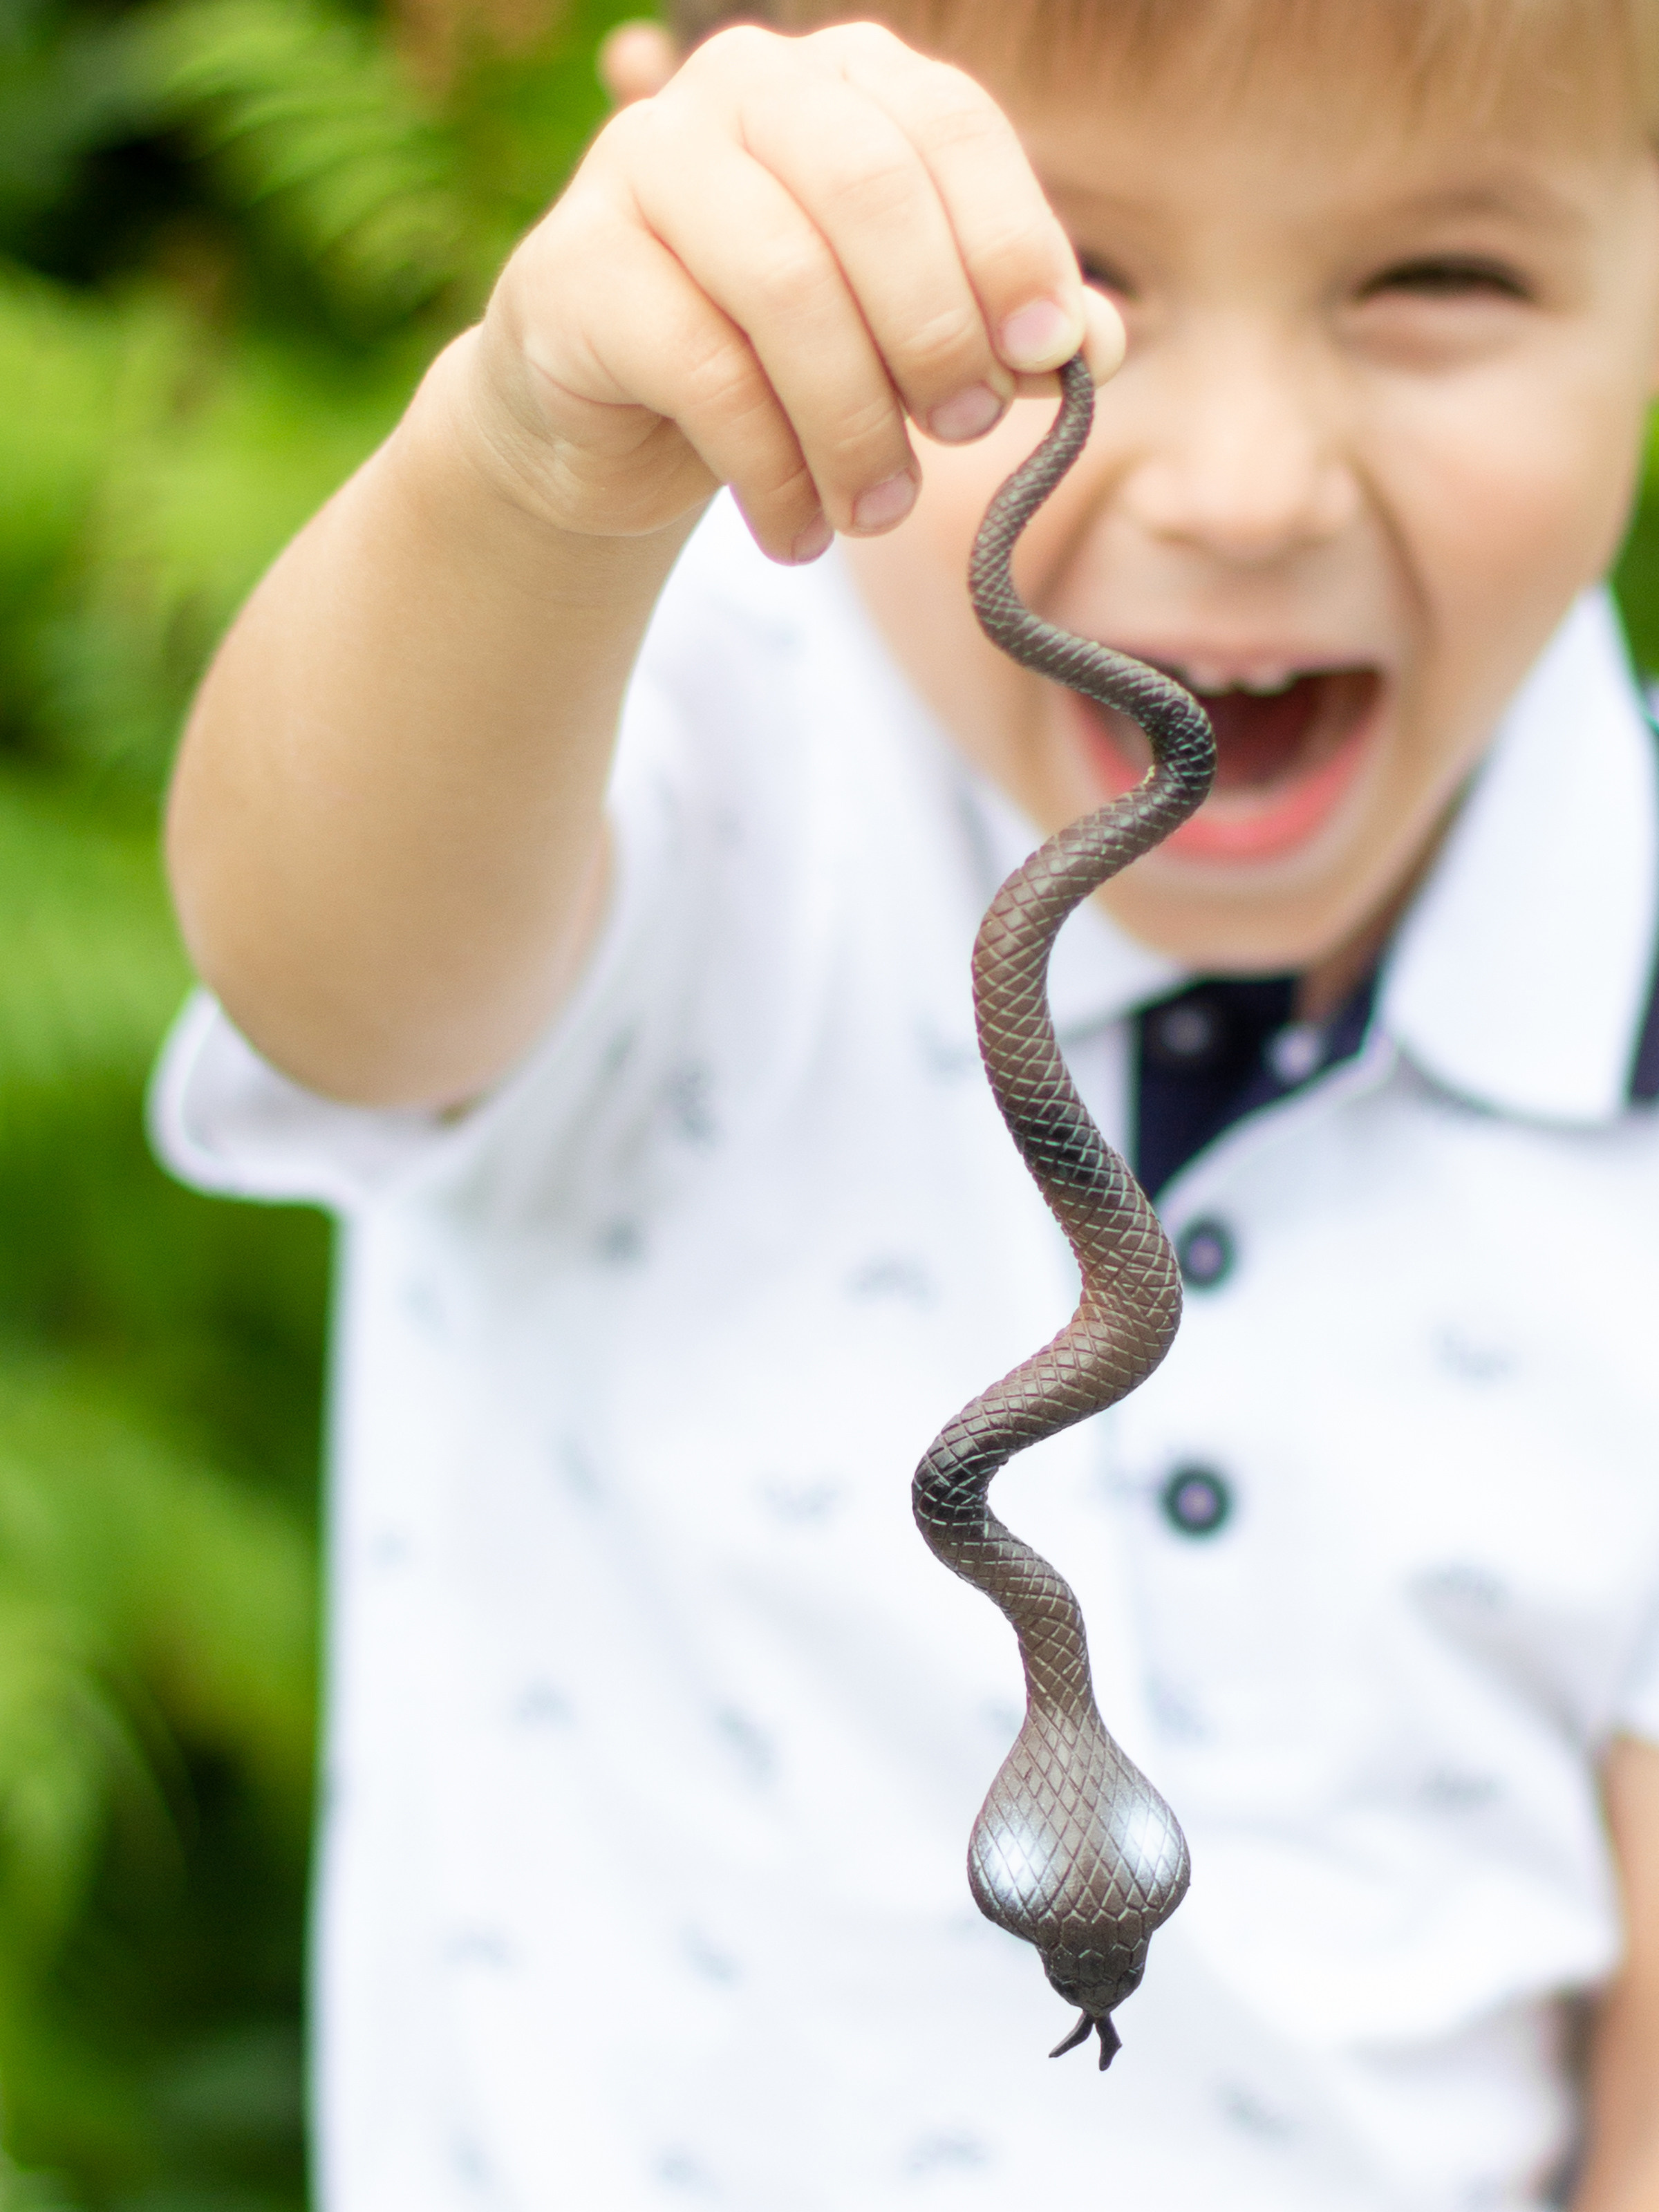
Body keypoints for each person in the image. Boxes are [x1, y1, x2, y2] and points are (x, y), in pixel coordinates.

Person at [152, 1, 1659, 2205]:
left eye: (1442, 276)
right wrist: (538, 456)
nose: (1243, 485)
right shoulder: (663, 737)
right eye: (1066, 283)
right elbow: (334, 984)